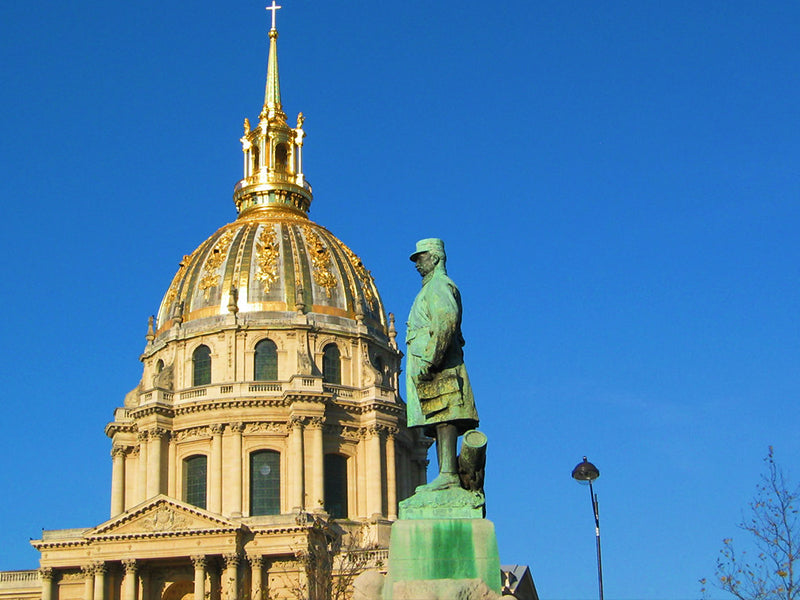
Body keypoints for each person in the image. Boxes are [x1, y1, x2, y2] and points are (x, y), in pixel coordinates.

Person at [406, 238, 478, 492]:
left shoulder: (438, 286)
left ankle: (448, 474)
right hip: (434, 365)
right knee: (439, 420)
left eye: (421, 258)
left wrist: (430, 359)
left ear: (435, 258)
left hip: (437, 367)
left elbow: (446, 320)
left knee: (445, 417)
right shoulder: (432, 288)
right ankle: (446, 474)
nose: (416, 264)